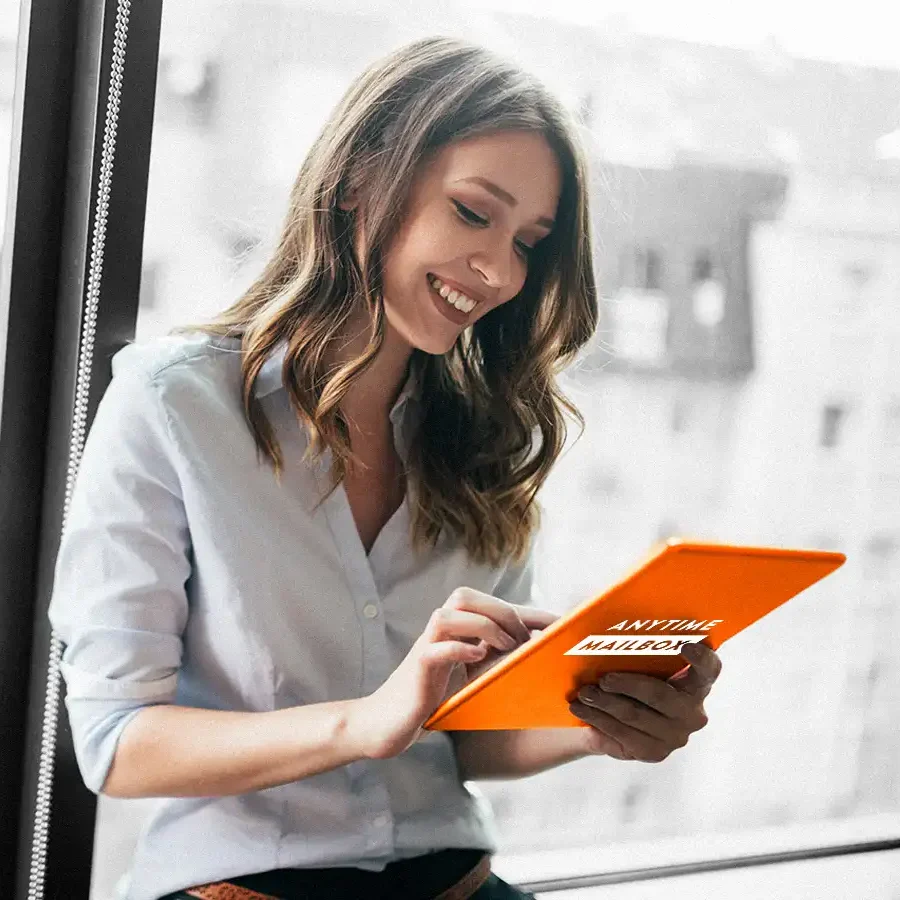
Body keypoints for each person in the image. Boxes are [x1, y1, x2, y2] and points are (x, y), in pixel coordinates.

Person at [48, 35, 721, 900]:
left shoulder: (483, 439)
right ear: (363, 178)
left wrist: (599, 724)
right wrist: (362, 724)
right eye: (475, 212)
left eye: (529, 241)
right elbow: (118, 742)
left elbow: (461, 738)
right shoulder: (172, 405)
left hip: (459, 882)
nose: (500, 270)